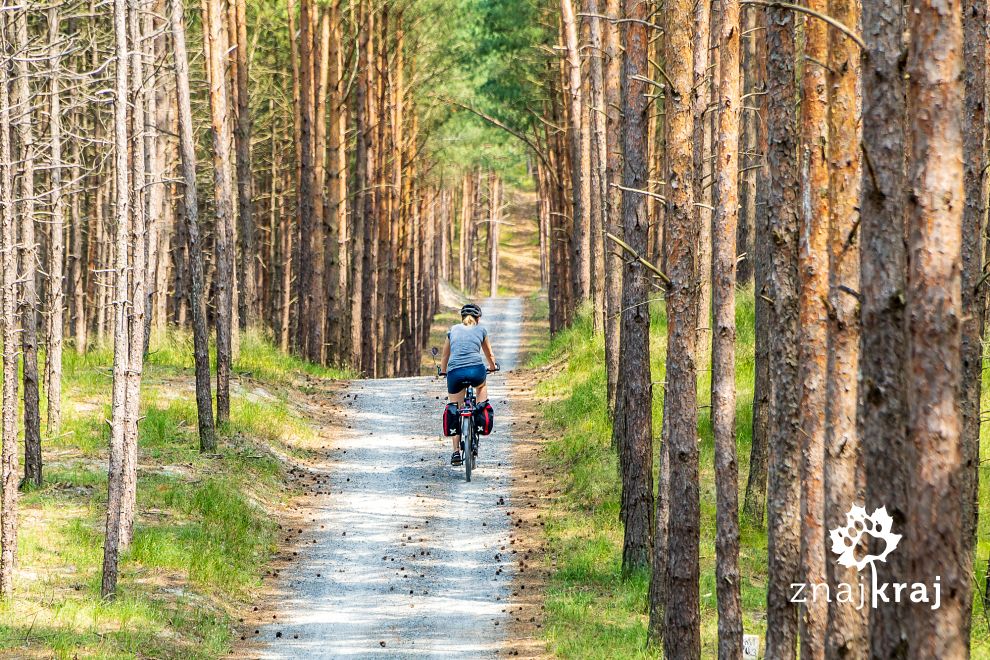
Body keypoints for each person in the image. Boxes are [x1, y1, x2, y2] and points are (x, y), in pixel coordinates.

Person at [440, 303, 498, 465]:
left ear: (462, 318)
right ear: (478, 319)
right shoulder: (481, 330)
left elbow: (445, 356)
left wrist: (443, 371)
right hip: (476, 371)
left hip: (455, 373)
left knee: (455, 408)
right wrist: (493, 367)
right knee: (481, 388)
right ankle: (479, 413)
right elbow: (489, 355)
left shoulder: (452, 330)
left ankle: (456, 453)